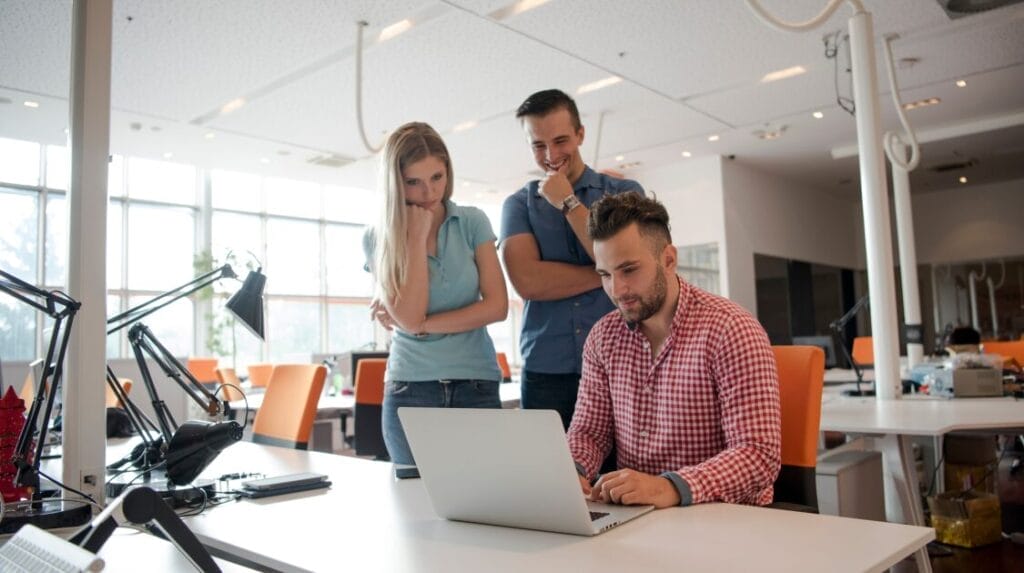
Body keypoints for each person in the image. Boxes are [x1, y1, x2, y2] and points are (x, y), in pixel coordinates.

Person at [568, 192, 781, 508]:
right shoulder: (603, 337)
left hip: (725, 518)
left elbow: (758, 454)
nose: (616, 289)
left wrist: (667, 488)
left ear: (668, 259)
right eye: (605, 274)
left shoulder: (730, 329)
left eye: (629, 270)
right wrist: (572, 470)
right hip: (638, 516)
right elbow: (589, 432)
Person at [500, 89, 645, 430]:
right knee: (547, 479)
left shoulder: (625, 194)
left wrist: (567, 202)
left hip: (621, 363)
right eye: (538, 145)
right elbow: (528, 282)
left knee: (620, 479)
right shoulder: (518, 205)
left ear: (580, 134)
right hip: (546, 371)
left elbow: (631, 264)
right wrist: (608, 272)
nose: (550, 154)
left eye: (560, 140)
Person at [364, 122, 508, 465]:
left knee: (486, 500)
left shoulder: (473, 222)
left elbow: (497, 306)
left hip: (476, 383)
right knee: (415, 507)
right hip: (410, 388)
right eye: (414, 182)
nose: (429, 193)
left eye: (437, 178)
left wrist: (425, 325)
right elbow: (410, 317)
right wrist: (415, 236)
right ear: (395, 183)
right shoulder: (376, 237)